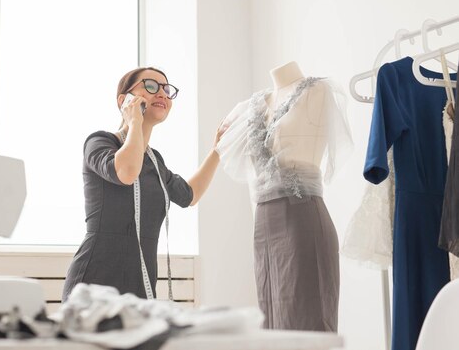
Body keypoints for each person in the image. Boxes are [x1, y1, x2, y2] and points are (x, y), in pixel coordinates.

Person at [62, 67, 226, 301]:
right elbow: (127, 173)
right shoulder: (100, 142)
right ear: (124, 100)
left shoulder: (154, 160)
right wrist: (134, 122)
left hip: (140, 286)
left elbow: (190, 195)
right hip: (93, 283)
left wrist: (218, 150)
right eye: (150, 86)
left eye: (166, 89)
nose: (161, 93)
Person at [217, 61, 352, 331]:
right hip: (264, 223)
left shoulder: (317, 91)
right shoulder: (253, 106)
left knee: (310, 316)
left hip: (303, 214)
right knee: (271, 318)